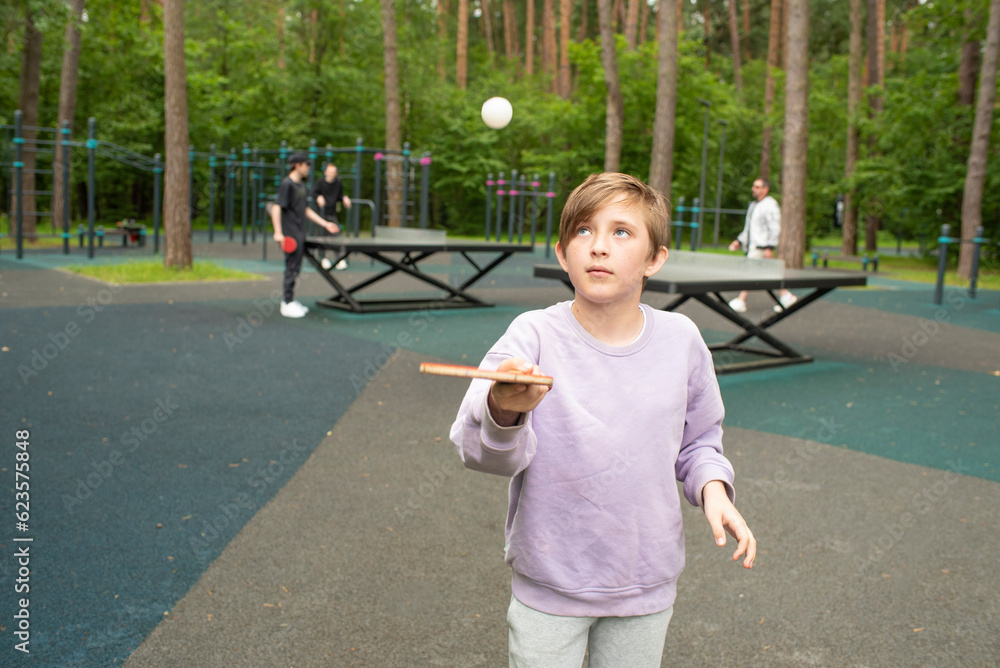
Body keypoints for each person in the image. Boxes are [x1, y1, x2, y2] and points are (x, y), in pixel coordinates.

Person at [449, 173, 756, 667]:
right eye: (584, 231)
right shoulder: (531, 336)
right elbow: (476, 451)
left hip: (644, 583)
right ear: (562, 253)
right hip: (550, 583)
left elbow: (699, 442)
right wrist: (505, 409)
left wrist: (713, 490)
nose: (598, 247)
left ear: (655, 258)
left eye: (621, 232)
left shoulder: (682, 340)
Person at [272, 153, 340, 318]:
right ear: (298, 165)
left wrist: (325, 223)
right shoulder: (287, 184)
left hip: (300, 232)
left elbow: (305, 210)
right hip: (290, 233)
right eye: (306, 165)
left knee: (296, 268)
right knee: (291, 268)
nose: (309, 168)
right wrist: (278, 232)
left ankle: (291, 300)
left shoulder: (301, 186)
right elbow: (276, 207)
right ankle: (286, 303)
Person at [727, 178, 797, 313]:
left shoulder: (770, 205)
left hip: (762, 247)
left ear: (766, 189)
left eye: (757, 187)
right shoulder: (754, 205)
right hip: (754, 246)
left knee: (749, 271)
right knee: (771, 273)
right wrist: (739, 241)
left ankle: (741, 300)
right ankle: (786, 296)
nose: (754, 189)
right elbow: (749, 228)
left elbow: (774, 228)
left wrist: (769, 248)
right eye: (754, 186)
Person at [312, 162, 353, 269]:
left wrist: (344, 197)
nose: (333, 174)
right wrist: (318, 197)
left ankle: (339, 259)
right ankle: (322, 259)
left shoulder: (338, 183)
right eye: (330, 172)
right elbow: (314, 193)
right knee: (321, 237)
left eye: (334, 172)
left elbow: (340, 195)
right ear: (326, 172)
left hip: (332, 213)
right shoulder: (320, 183)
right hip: (321, 214)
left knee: (336, 236)